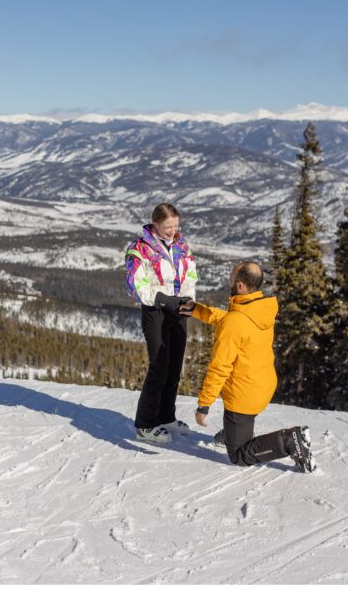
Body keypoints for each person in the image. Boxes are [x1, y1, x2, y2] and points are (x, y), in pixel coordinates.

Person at [183, 261, 315, 472]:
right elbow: (229, 320)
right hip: (262, 385)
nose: (229, 279)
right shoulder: (259, 308)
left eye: (232, 276)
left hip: (244, 397)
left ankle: (290, 440)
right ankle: (232, 432)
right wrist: (197, 310)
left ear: (241, 285)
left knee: (238, 456)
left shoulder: (236, 320)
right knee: (237, 427)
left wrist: (203, 405)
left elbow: (220, 367)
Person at [124, 202, 198, 443]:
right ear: (155, 224)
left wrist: (188, 300)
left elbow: (190, 275)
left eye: (176, 225)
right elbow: (134, 285)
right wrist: (163, 299)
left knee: (175, 367)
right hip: (155, 310)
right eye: (168, 226)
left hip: (177, 310)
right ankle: (145, 424)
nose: (172, 230)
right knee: (159, 367)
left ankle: (166, 416)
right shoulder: (140, 248)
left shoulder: (182, 245)